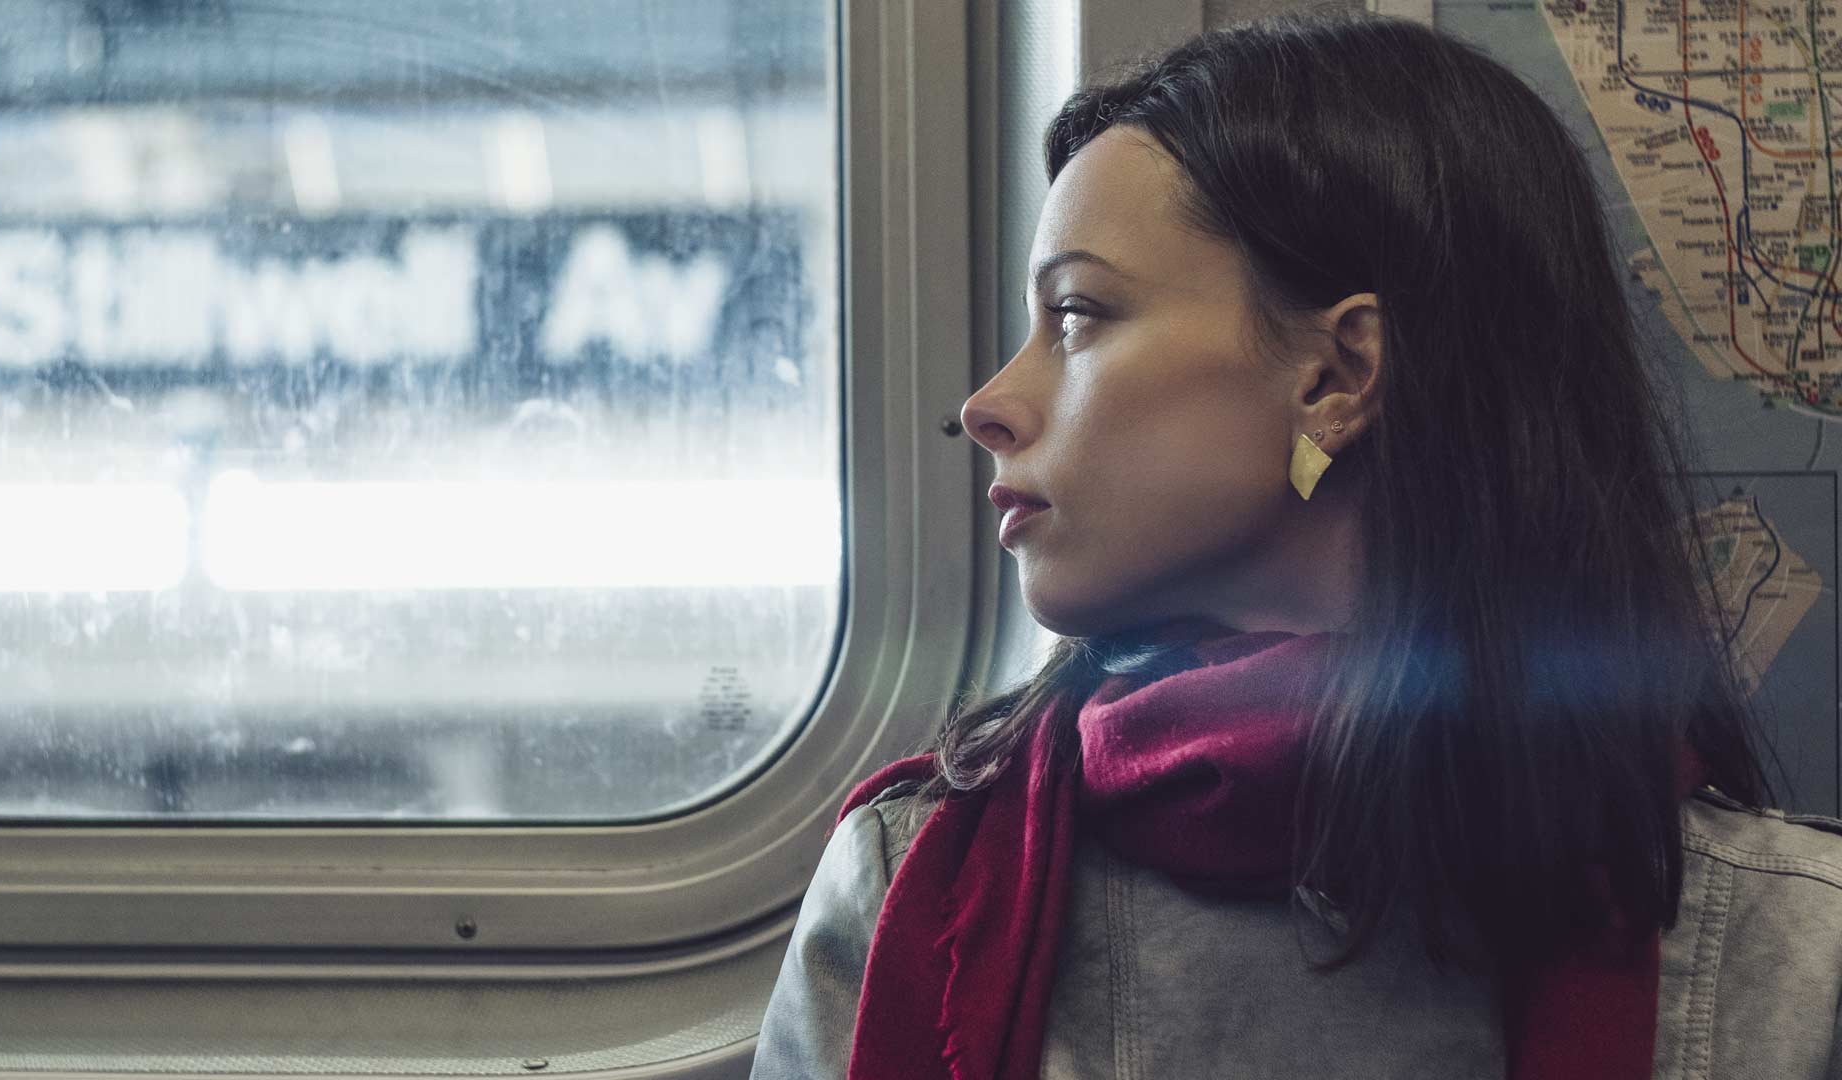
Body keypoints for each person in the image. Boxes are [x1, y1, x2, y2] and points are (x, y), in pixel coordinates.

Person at [750, 11, 1842, 1079]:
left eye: (1077, 316)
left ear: (1335, 377)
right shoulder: (905, 892)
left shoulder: (1798, 957)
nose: (987, 404)